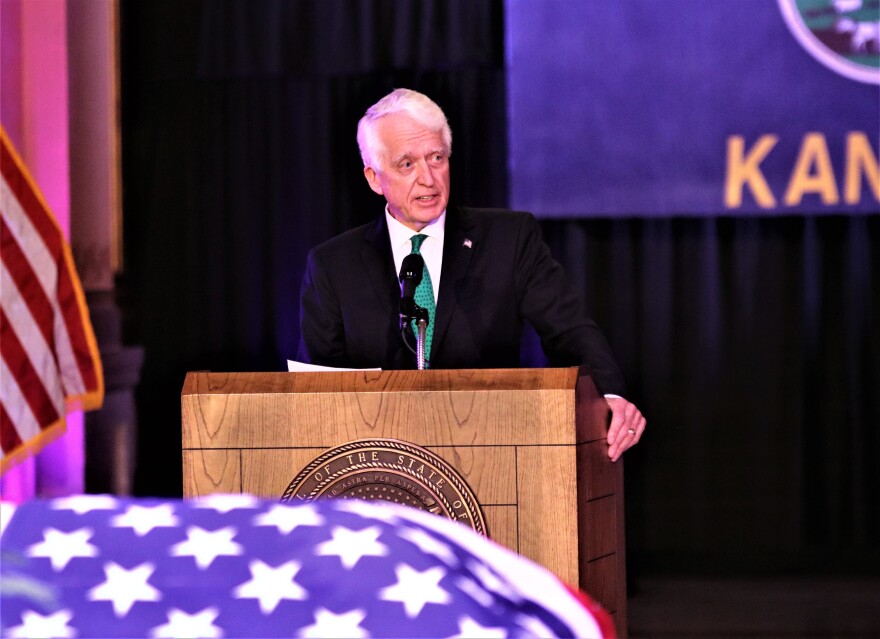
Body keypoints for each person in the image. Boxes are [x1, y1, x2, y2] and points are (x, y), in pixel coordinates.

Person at [297, 88, 645, 461]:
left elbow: (569, 329)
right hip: (379, 465)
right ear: (374, 178)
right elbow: (319, 390)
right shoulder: (334, 265)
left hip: (492, 453)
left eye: (437, 158)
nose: (429, 179)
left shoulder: (508, 239)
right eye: (407, 165)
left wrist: (609, 395)